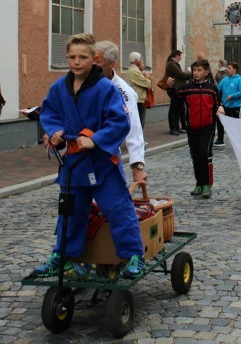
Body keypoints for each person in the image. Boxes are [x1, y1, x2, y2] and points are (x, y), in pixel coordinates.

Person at [33, 33, 144, 279]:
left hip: (101, 161)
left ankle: (134, 255)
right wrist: (55, 131)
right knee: (69, 211)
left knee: (118, 208)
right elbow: (49, 113)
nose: (76, 62)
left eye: (82, 57)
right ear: (66, 58)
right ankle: (64, 256)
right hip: (74, 163)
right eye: (72, 57)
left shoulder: (106, 88)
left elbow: (119, 121)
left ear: (94, 59)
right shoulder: (59, 87)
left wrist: (95, 139)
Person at [95, 41, 147, 186]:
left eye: (98, 61)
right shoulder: (81, 83)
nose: (92, 65)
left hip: (107, 155)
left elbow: (133, 128)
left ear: (111, 64)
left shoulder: (123, 91)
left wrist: (137, 165)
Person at [169, 59, 222, 198]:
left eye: (199, 70)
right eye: (194, 70)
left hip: (208, 127)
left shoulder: (212, 88)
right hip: (192, 127)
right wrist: (170, 87)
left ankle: (206, 184)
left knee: (203, 153)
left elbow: (218, 103)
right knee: (195, 156)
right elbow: (175, 96)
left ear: (206, 72)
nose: (196, 73)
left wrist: (221, 107)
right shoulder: (188, 88)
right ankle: (198, 184)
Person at [214, 62, 241, 147]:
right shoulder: (225, 79)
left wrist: (232, 96)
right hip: (224, 106)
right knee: (220, 122)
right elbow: (218, 89)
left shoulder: (239, 80)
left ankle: (237, 141)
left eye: (229, 68)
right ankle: (220, 140)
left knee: (234, 125)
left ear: (234, 70)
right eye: (227, 68)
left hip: (234, 106)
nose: (227, 70)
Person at [165, 50, 192, 135]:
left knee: (179, 108)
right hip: (174, 88)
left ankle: (177, 127)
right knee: (174, 108)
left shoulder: (174, 64)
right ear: (176, 55)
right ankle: (172, 128)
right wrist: (190, 73)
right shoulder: (171, 64)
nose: (181, 58)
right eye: (180, 56)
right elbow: (181, 74)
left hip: (178, 88)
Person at [126, 52, 152, 128]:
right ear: (136, 60)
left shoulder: (133, 69)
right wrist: (147, 77)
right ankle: (139, 136)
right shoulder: (134, 71)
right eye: (140, 59)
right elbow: (148, 84)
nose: (141, 61)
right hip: (138, 100)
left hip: (137, 99)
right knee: (140, 122)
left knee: (139, 121)